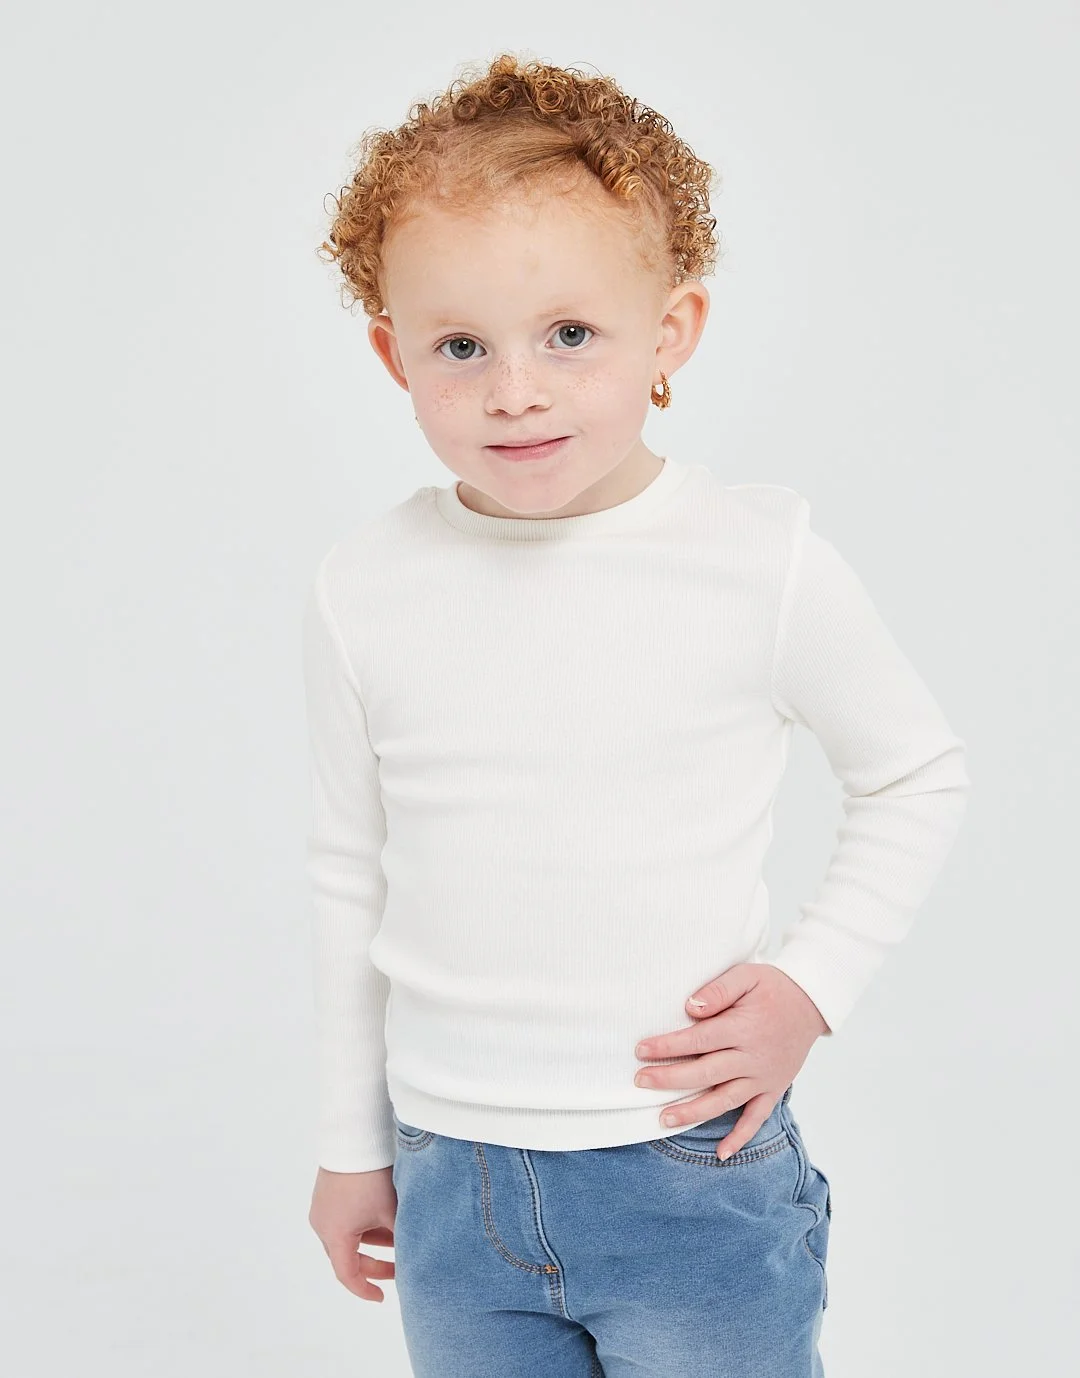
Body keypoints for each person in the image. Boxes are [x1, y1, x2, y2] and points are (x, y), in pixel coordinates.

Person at [302, 52, 970, 1377]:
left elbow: (916, 774)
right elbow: (346, 875)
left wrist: (809, 985)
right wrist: (349, 1144)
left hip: (686, 1172)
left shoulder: (757, 561)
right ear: (392, 351)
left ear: (669, 333)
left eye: (568, 334)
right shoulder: (365, 586)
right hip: (454, 1183)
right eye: (460, 346)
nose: (515, 390)